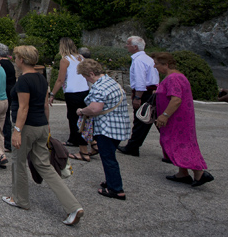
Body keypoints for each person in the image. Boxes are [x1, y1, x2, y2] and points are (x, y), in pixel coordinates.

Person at [2, 45, 83, 226]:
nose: (15, 60)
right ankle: (73, 206)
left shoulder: (24, 80)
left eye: (16, 57)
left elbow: (24, 108)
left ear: (21, 60)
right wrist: (47, 127)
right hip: (41, 125)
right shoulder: (41, 78)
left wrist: (17, 131)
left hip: (27, 127)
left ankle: (20, 199)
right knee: (44, 166)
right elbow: (46, 105)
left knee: (19, 162)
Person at [153, 52, 214, 187]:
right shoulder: (178, 76)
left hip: (176, 119)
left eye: (156, 63)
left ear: (166, 64)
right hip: (182, 118)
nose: (154, 66)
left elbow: (176, 99)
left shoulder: (172, 78)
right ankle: (182, 173)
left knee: (179, 143)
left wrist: (164, 115)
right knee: (182, 142)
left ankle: (199, 173)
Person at [75, 59, 130, 200]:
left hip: (107, 128)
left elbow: (95, 108)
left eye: (85, 76)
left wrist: (81, 111)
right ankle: (111, 181)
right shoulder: (111, 82)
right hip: (118, 126)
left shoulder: (100, 87)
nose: (86, 79)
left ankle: (116, 189)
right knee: (109, 155)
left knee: (108, 158)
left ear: (91, 74)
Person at [49, 38, 91, 160]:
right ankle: (76, 139)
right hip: (84, 90)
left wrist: (52, 94)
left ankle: (78, 143)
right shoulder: (81, 58)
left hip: (72, 92)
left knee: (73, 117)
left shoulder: (65, 60)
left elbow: (60, 79)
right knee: (82, 117)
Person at [118, 36, 160, 157]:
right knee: (153, 120)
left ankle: (133, 146)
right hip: (152, 91)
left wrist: (137, 97)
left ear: (135, 47)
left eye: (128, 44)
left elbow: (140, 80)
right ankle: (169, 151)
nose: (126, 46)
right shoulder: (148, 59)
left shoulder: (138, 60)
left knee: (141, 119)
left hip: (145, 93)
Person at [0, 43, 16, 153]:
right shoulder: (9, 63)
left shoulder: (0, 64)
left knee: (4, 118)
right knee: (6, 116)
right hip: (10, 91)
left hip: (3, 92)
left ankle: (6, 142)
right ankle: (6, 141)